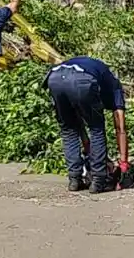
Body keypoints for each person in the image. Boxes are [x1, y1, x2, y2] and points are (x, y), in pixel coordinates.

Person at [46, 56, 129, 193]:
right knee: (96, 128)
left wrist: (90, 149)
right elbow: (120, 128)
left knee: (69, 130)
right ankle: (98, 180)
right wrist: (123, 161)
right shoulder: (115, 88)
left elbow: (78, 122)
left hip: (54, 77)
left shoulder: (99, 74)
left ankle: (75, 179)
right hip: (81, 78)